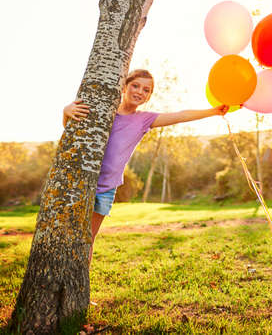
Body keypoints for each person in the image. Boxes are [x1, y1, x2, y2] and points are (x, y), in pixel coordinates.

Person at [63, 69, 228, 263]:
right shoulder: (103, 109)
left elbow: (181, 115)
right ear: (124, 86)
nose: (140, 91)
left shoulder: (144, 120)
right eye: (135, 85)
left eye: (146, 90)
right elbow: (71, 131)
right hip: (82, 181)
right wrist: (65, 112)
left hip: (106, 188)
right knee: (67, 234)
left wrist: (214, 111)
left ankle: (81, 285)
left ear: (149, 96)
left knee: (87, 240)